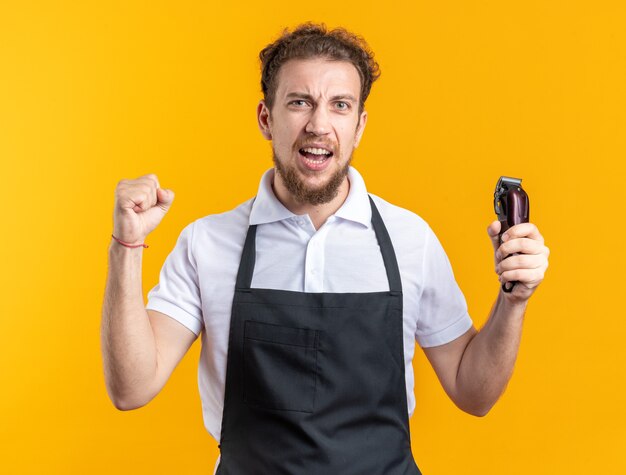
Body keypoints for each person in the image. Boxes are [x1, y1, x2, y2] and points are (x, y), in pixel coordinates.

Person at [101, 23, 550, 474]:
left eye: (340, 106)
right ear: (266, 118)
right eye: (300, 102)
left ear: (359, 126)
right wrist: (127, 246)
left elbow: (474, 393)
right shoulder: (208, 243)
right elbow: (131, 389)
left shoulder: (409, 238)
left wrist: (514, 302)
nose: (319, 125)